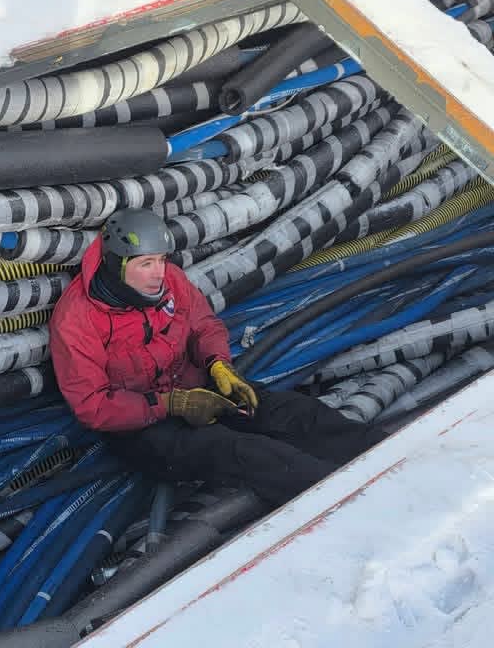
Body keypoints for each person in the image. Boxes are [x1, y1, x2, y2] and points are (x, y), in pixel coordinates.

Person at [49, 208, 387, 506]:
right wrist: (172, 404)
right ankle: (350, 503)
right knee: (245, 452)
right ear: (116, 266)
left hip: (198, 389)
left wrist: (218, 365)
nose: (159, 273)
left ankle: (395, 459)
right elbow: (93, 405)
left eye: (162, 260)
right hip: (144, 427)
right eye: (146, 264)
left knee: (298, 414)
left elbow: (203, 326)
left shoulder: (169, 283)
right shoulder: (76, 319)